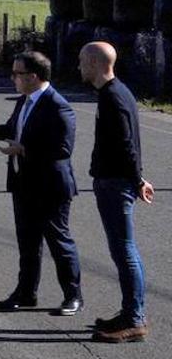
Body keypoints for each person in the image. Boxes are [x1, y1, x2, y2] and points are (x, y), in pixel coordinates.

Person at [0, 50, 83, 316]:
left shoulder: (58, 106)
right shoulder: (24, 101)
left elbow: (62, 149)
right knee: (28, 243)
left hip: (50, 187)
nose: (13, 77)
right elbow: (12, 129)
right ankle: (26, 293)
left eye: (17, 73)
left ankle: (73, 296)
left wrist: (24, 150)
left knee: (58, 242)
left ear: (33, 77)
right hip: (23, 184)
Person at [80, 41, 155, 344]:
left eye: (83, 61)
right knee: (123, 250)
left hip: (115, 184)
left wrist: (137, 180)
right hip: (115, 181)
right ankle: (129, 312)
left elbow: (127, 144)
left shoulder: (113, 97)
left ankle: (134, 319)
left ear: (96, 63)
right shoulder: (115, 92)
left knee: (125, 251)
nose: (79, 66)